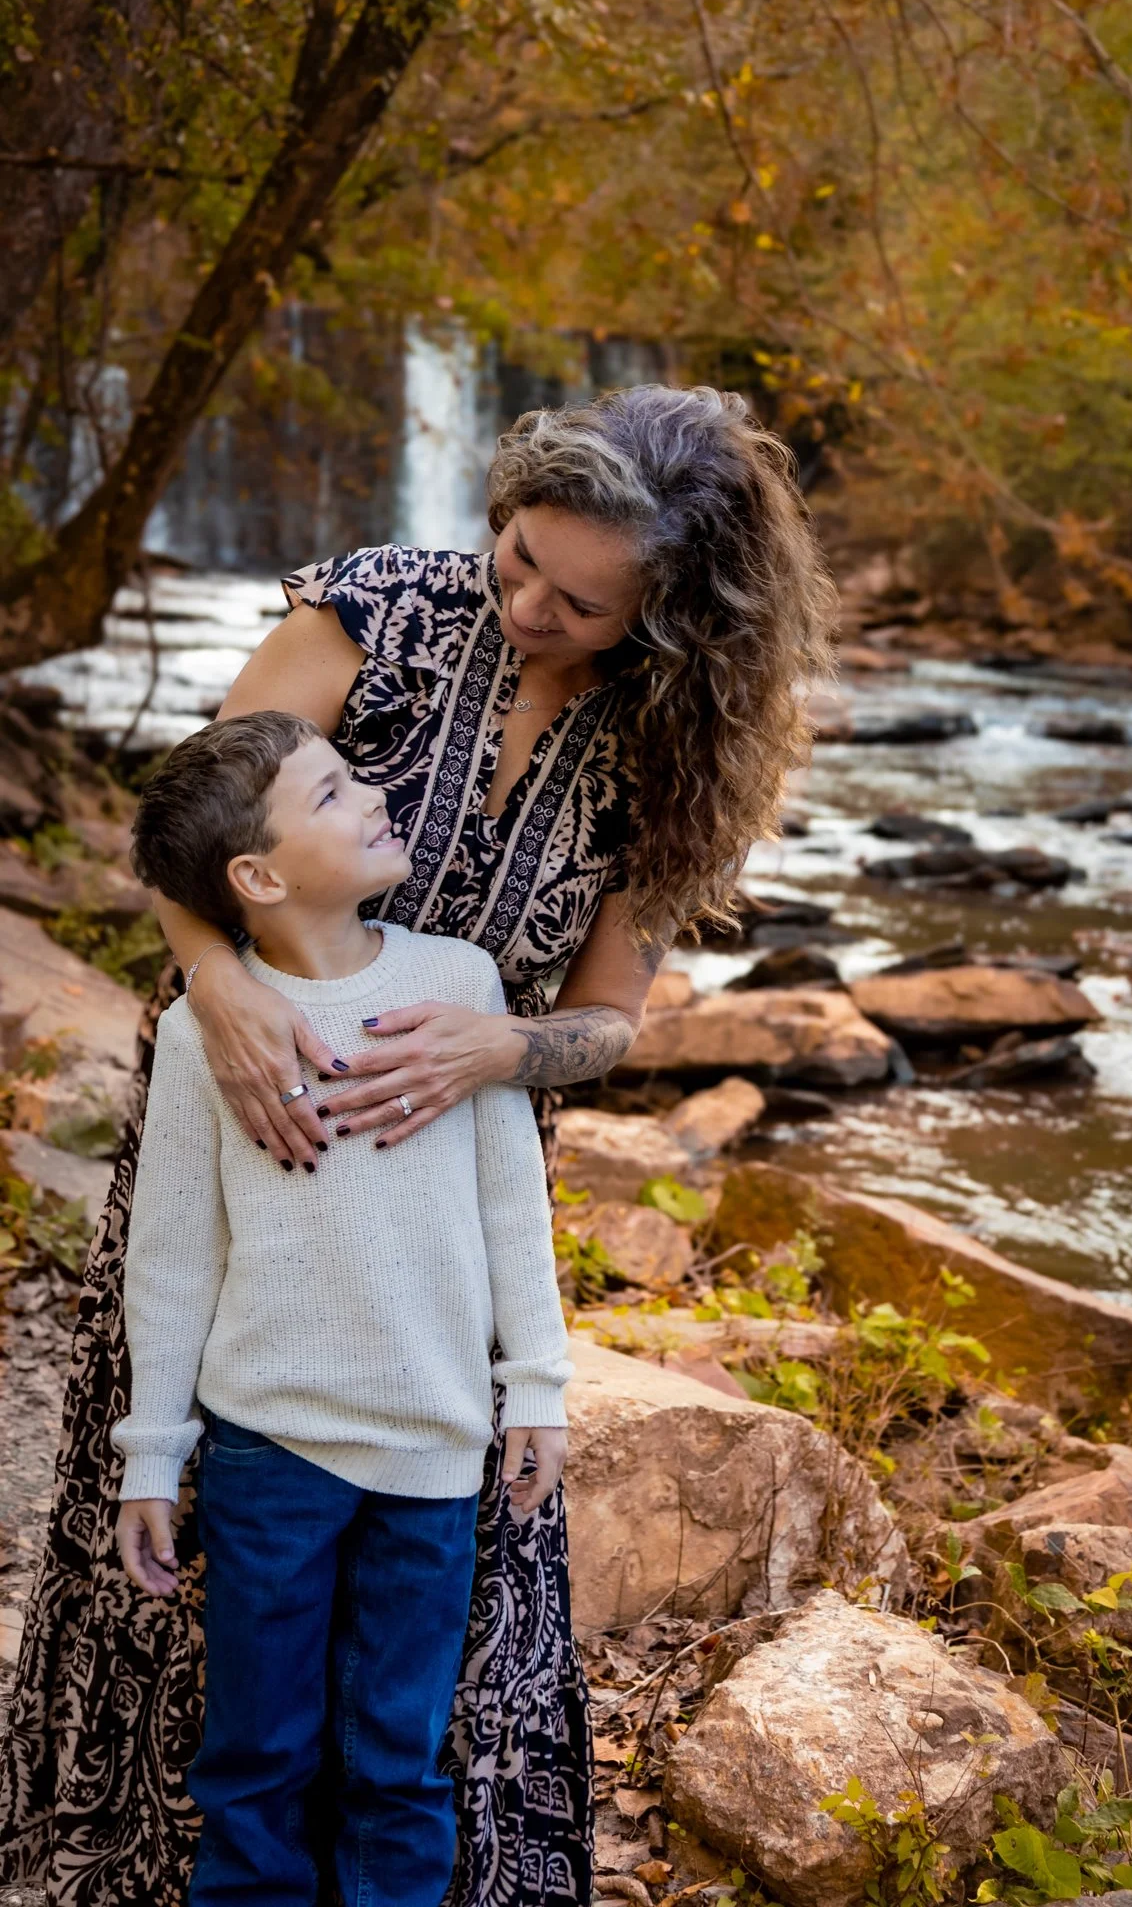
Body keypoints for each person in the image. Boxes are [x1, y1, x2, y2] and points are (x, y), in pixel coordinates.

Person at [0, 383, 836, 1907]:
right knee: (213, 1541)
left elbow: (608, 1018)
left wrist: (504, 1049)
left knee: (414, 1669)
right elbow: (186, 824)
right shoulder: (374, 610)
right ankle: (156, 1865)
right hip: (255, 1119)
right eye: (516, 556)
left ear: (674, 611)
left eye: (581, 602)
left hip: (449, 1229)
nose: (525, 604)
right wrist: (219, 984)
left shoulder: (675, 741)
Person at [115, 709, 572, 1906]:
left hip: (430, 1445)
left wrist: (538, 1385)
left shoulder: (457, 984)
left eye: (353, 773)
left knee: (398, 1761)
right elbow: (171, 1255)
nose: (374, 793)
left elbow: (512, 1207)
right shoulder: (200, 1033)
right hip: (270, 1450)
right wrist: (152, 1456)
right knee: (256, 1757)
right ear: (258, 876)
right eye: (330, 792)